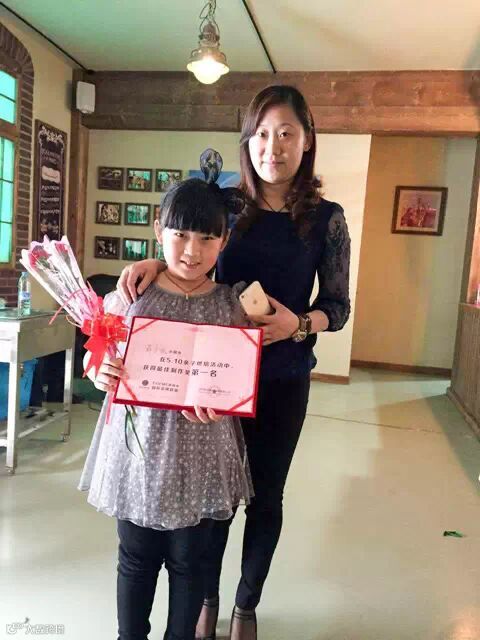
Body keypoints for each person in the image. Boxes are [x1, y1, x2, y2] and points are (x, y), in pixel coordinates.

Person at [116, 85, 351, 640]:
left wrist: (299, 325)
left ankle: (246, 604)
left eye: (287, 133)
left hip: (283, 377)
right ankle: (207, 597)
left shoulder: (327, 219)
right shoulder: (227, 203)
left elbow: (338, 307)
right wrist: (155, 263)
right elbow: (195, 250)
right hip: (213, 380)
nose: (274, 146)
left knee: (266, 497)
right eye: (262, 134)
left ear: (307, 141)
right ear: (248, 141)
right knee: (212, 495)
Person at [78, 150, 254, 640]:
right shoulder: (132, 296)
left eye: (207, 238)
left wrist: (224, 399)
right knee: (135, 559)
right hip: (138, 452)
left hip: (202, 452)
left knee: (191, 562)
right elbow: (96, 353)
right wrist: (99, 372)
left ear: (224, 240)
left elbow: (238, 374)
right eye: (179, 234)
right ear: (158, 230)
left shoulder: (232, 305)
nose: (192, 250)